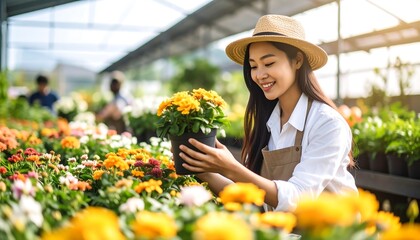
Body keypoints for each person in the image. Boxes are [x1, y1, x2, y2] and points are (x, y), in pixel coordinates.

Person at [177, 15, 358, 212]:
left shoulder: (327, 123)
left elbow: (299, 197)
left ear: (297, 60)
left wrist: (231, 168)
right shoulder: (269, 123)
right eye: (253, 66)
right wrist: (205, 169)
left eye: (269, 63)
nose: (259, 74)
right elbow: (255, 198)